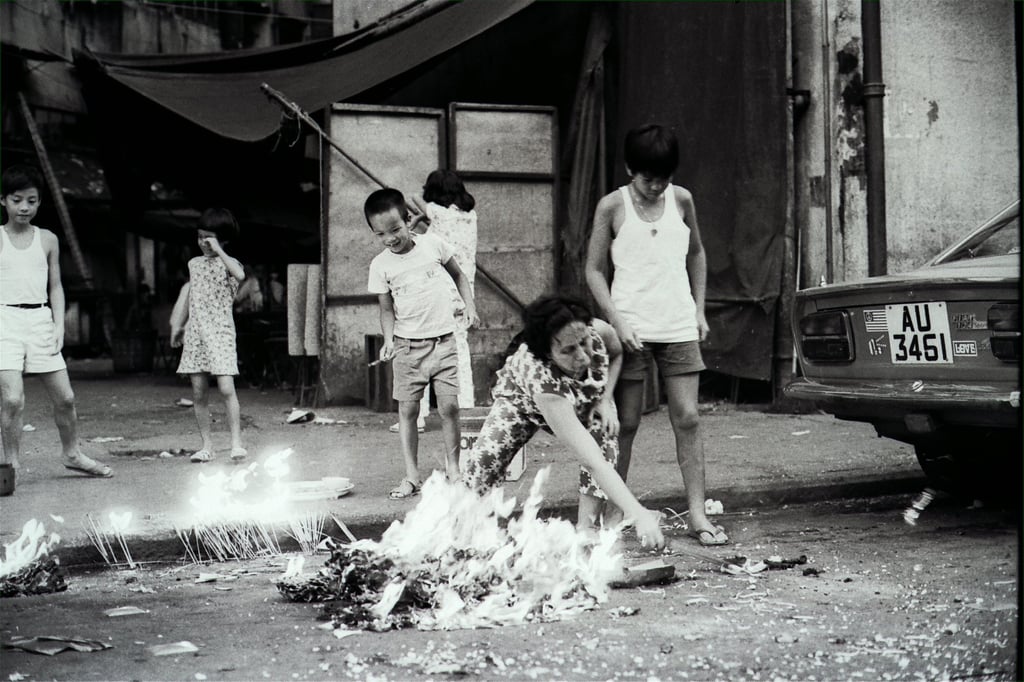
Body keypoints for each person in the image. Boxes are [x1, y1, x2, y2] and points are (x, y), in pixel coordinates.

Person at [584, 124, 727, 546]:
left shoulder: (682, 200)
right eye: (648, 179)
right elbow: (593, 269)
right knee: (624, 423)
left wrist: (698, 309)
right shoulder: (612, 206)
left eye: (663, 178)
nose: (656, 186)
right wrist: (616, 321)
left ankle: (698, 516)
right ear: (631, 169)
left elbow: (697, 253)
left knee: (688, 418)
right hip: (630, 330)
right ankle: (615, 516)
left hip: (677, 325)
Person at [461, 294, 665, 551]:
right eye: (568, 350)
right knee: (483, 462)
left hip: (585, 394)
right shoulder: (539, 376)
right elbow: (591, 461)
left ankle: (586, 529)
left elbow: (616, 355)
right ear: (548, 353)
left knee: (604, 437)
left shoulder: (599, 330)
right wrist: (639, 513)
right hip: (523, 402)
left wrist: (605, 398)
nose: (582, 357)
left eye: (584, 342)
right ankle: (465, 533)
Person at [0, 164, 113, 483]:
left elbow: (56, 286)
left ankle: (72, 453)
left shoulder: (47, 239)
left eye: (32, 201)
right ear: (3, 200)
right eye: (17, 199)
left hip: (40, 319)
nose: (24, 207)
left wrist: (59, 326)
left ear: (39, 203)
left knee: (65, 397)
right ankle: (11, 467)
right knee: (11, 398)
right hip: (4, 320)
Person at [365, 187, 478, 499]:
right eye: (380, 234)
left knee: (450, 407)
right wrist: (388, 340)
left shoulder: (433, 245)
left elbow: (460, 276)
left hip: (444, 341)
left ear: (409, 220)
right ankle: (412, 476)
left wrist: (470, 307)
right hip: (407, 347)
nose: (390, 238)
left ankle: (454, 471)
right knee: (408, 411)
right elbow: (386, 309)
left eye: (395, 229)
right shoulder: (380, 265)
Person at [389, 169, 478, 434]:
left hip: (436, 290)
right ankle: (465, 408)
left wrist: (421, 210)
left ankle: (417, 418)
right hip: (463, 289)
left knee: (421, 348)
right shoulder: (471, 216)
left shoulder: (437, 212)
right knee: (458, 348)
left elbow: (411, 198)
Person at [170, 208, 248, 463]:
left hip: (221, 332)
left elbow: (240, 275)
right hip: (196, 333)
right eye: (200, 237)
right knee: (198, 392)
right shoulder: (194, 264)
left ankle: (236, 443)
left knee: (226, 388)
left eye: (209, 237)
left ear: (222, 239)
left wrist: (219, 250)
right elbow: (192, 297)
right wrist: (178, 327)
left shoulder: (231, 264)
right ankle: (207, 446)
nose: (203, 242)